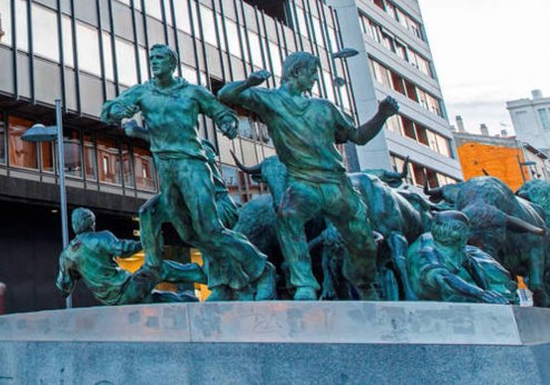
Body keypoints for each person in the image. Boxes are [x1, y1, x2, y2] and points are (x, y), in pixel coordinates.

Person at [219, 51, 399, 300]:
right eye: (312, 72)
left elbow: (359, 137)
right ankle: (304, 284)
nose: (315, 78)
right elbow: (225, 94)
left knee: (364, 241)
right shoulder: (270, 101)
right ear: (296, 73)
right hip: (303, 181)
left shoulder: (324, 107)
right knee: (288, 215)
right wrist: (250, 82)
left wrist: (382, 114)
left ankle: (363, 281)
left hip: (337, 183)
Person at [102, 44, 273, 300]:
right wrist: (115, 112)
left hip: (192, 164)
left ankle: (262, 270)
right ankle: (233, 282)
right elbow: (113, 108)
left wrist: (227, 123)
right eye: (151, 58)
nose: (154, 62)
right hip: (166, 169)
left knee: (209, 229)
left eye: (160, 58)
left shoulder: (192, 92)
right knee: (188, 233)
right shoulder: (142, 93)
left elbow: (221, 112)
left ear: (173, 64)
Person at [57, 208, 204, 305]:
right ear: (91, 224)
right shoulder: (100, 238)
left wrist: (78, 269)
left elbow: (64, 288)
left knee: (155, 298)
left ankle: (190, 300)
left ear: (74, 224)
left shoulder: (66, 256)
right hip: (126, 287)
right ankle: (204, 276)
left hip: (112, 300)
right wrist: (145, 242)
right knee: (158, 268)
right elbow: (124, 249)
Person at [406, 211, 516, 304]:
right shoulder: (426, 254)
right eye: (467, 232)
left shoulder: (449, 244)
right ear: (458, 235)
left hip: (448, 287)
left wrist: (486, 290)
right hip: (434, 297)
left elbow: (471, 263)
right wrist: (480, 294)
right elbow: (444, 278)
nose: (468, 235)